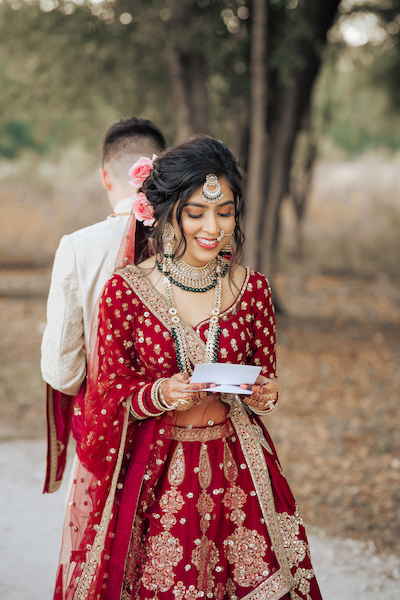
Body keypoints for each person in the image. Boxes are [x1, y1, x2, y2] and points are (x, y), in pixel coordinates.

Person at [54, 135, 322, 600]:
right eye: (196, 212)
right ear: (166, 211)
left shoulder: (252, 289)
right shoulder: (126, 291)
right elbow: (108, 391)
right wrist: (160, 394)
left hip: (238, 471)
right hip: (156, 480)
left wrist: (264, 393)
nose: (212, 227)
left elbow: (266, 377)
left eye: (225, 212)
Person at [41, 117, 166, 492]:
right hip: (182, 429)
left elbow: (61, 371)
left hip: (107, 431)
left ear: (105, 176)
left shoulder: (78, 247)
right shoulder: (197, 240)